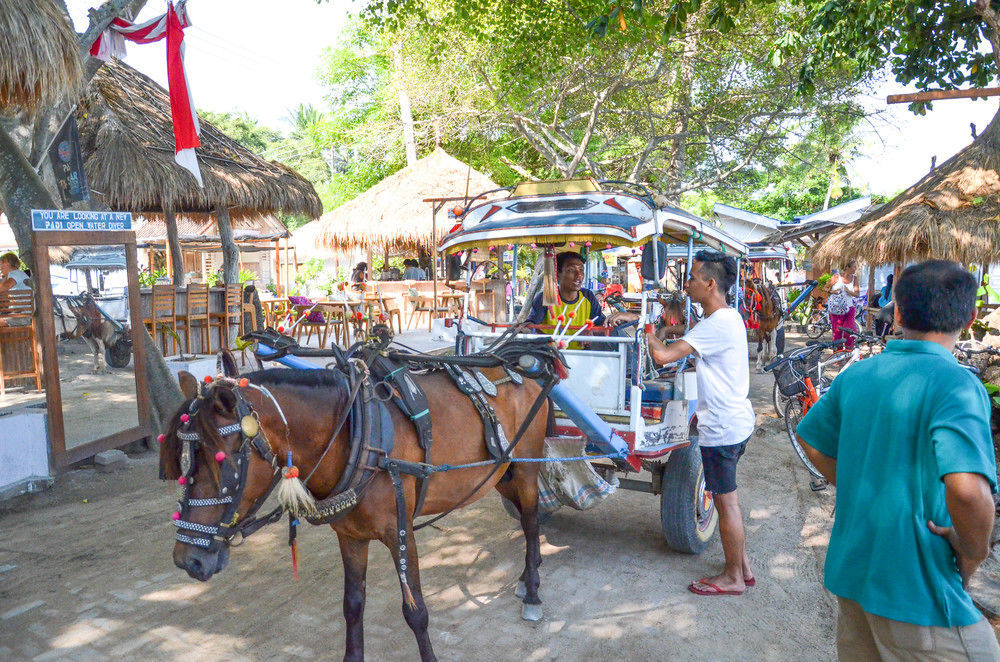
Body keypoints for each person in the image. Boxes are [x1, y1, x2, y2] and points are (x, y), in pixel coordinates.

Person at [797, 260, 1000, 661]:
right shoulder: (957, 384)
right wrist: (973, 550)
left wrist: (856, 481)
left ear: (899, 312)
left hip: (855, 575)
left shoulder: (859, 375)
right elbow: (968, 492)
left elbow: (811, 438)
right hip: (920, 589)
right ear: (971, 317)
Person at [642, 250, 756, 596]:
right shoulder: (729, 317)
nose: (687, 284)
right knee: (727, 502)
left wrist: (645, 331)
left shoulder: (716, 323)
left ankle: (733, 577)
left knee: (726, 503)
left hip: (722, 429)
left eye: (691, 278)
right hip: (736, 422)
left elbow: (661, 356)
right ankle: (744, 568)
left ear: (709, 284)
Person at [525, 251, 605, 348]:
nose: (578, 275)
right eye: (571, 270)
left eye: (581, 270)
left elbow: (602, 325)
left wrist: (591, 330)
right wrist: (549, 341)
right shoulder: (548, 296)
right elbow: (531, 326)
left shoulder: (587, 296)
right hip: (550, 356)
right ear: (558, 274)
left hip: (582, 356)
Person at [827, 261, 859, 349]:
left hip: (849, 308)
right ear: (847, 267)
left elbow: (857, 294)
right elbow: (825, 288)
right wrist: (833, 292)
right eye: (853, 267)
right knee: (837, 333)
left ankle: (849, 353)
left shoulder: (854, 278)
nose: (855, 269)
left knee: (850, 332)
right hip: (837, 309)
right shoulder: (836, 277)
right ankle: (837, 355)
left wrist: (848, 291)